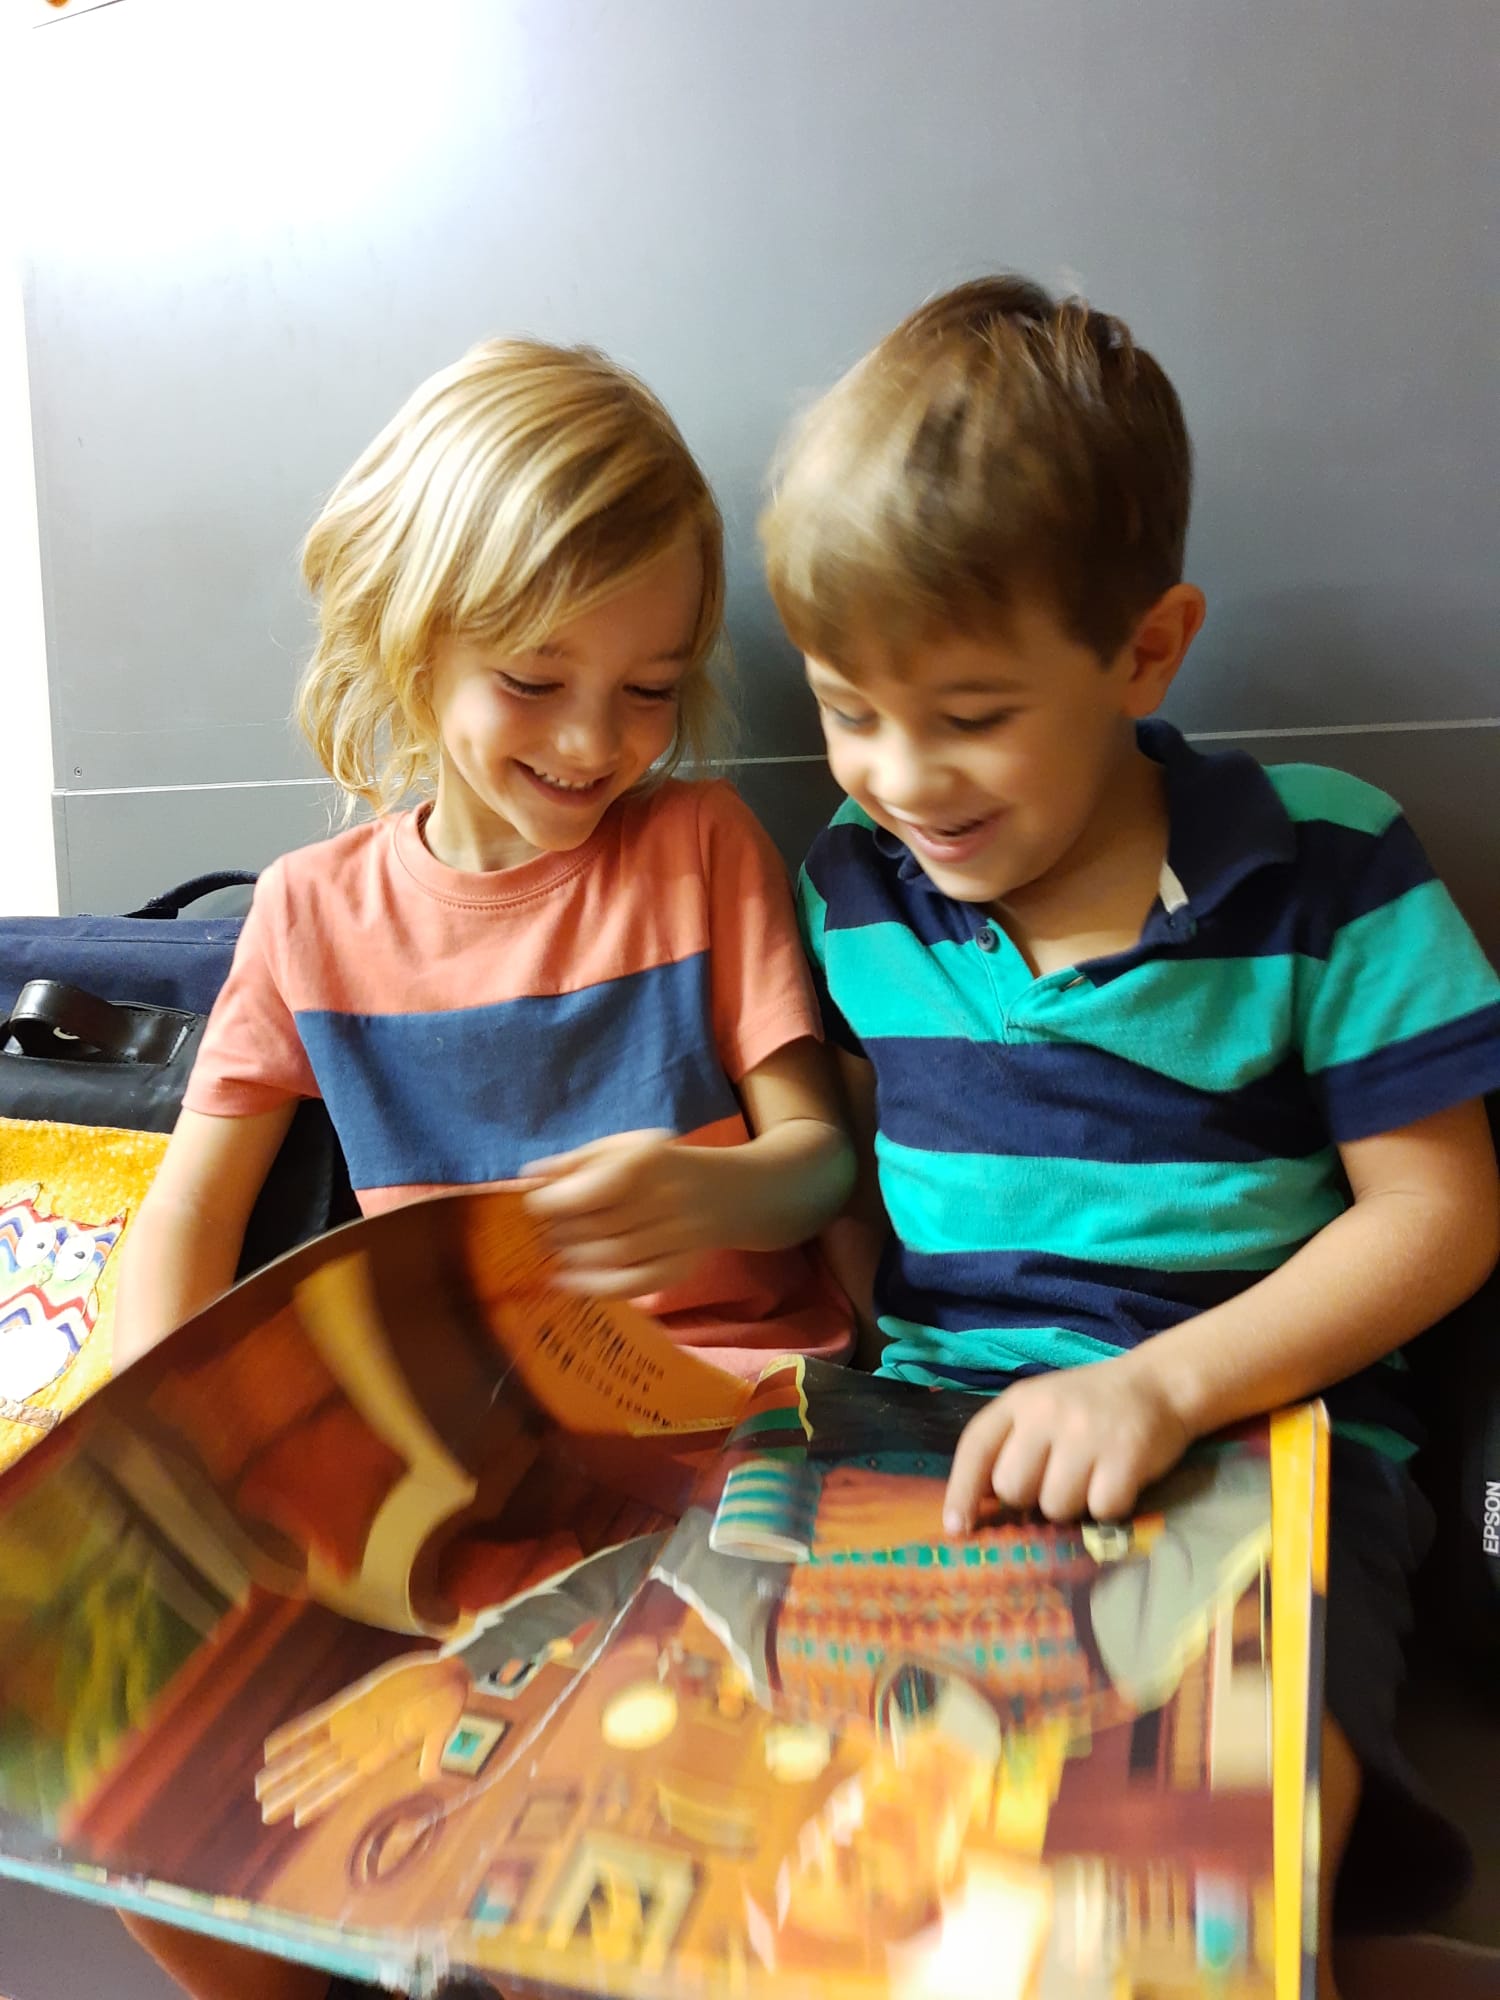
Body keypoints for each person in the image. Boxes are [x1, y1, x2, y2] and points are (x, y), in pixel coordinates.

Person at [762, 274, 1500, 2000]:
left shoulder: (1327, 864)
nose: (901, 778)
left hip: (1258, 1442)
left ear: (1147, 651)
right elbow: (863, 1161)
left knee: (1199, 1871)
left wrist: (1161, 1389)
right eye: (847, 709)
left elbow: (1441, 1212)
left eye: (970, 717)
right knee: (817, 1849)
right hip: (931, 1442)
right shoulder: (853, 890)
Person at [115, 335, 854, 2000]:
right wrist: (165, 1439)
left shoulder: (702, 850)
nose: (599, 739)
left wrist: (721, 1194)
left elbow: (820, 1166)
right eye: (534, 678)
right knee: (159, 1797)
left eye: (651, 687)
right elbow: (187, 1216)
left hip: (730, 1438)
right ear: (409, 636)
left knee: (606, 1776)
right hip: (460, 1468)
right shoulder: (309, 914)